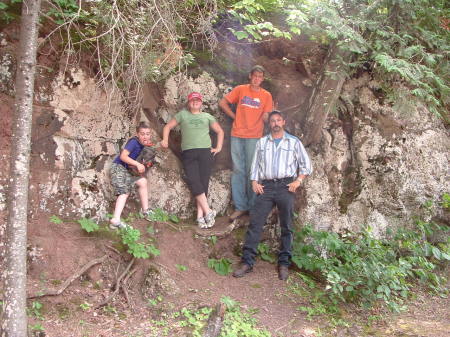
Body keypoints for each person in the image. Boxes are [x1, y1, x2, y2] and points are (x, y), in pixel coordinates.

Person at [232, 110, 312, 281]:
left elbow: (306, 165)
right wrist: (254, 181)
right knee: (255, 223)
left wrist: (298, 181)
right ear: (269, 124)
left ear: (283, 122)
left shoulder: (293, 142)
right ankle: (247, 262)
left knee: (287, 226)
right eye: (272, 121)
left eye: (278, 120)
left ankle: (284, 263)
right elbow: (256, 164)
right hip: (266, 187)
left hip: (286, 186)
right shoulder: (262, 142)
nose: (275, 123)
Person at [219, 65, 273, 222]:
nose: (257, 79)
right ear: (250, 76)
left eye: (260, 77)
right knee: (238, 170)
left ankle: (253, 206)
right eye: (255, 75)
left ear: (262, 79)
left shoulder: (266, 95)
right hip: (237, 134)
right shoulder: (241, 89)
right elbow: (222, 103)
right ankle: (240, 206)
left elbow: (267, 115)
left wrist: (267, 118)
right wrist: (234, 116)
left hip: (255, 137)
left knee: (253, 170)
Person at [161, 92, 224, 228]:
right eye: (192, 100)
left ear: (201, 102)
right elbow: (167, 127)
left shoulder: (207, 116)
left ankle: (200, 217)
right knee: (194, 181)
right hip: (189, 152)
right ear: (189, 103)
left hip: (205, 152)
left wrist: (218, 147)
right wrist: (165, 140)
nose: (195, 102)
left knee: (203, 182)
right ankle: (208, 211)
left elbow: (220, 131)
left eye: (197, 100)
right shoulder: (182, 115)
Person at [110, 122, 155, 229]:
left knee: (143, 182)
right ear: (138, 134)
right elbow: (123, 156)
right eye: (142, 134)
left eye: (148, 134)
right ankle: (116, 219)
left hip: (128, 171)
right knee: (124, 191)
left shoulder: (145, 146)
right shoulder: (133, 142)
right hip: (118, 168)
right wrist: (137, 164)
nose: (145, 136)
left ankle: (146, 211)